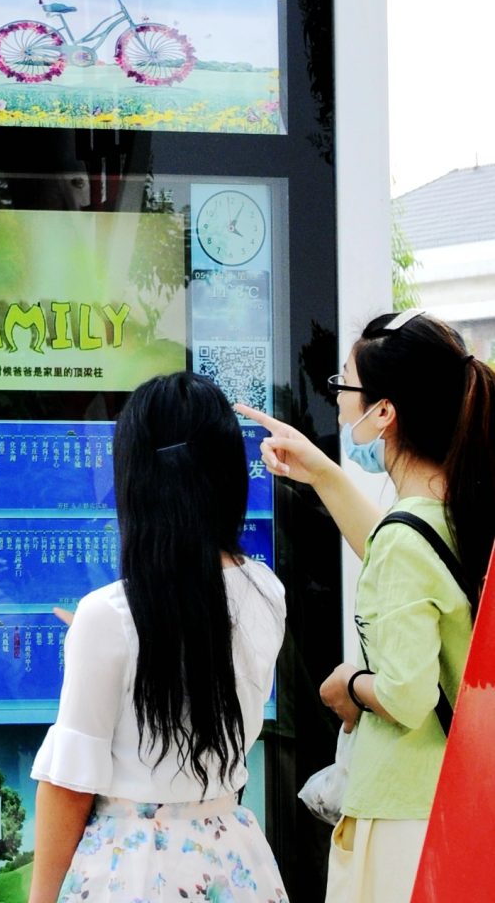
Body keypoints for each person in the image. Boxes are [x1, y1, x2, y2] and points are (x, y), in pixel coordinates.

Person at [238, 309, 495, 903]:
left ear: (384, 412)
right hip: (449, 802)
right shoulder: (456, 515)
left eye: (344, 384)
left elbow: (406, 693)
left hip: (405, 815)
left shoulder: (409, 536)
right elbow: (396, 550)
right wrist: (324, 473)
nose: (336, 401)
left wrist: (350, 685)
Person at [28, 371, 289, 903]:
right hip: (233, 858)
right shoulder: (267, 590)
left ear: (136, 479)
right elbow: (209, 668)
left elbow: (68, 787)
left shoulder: (108, 616)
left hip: (132, 867)